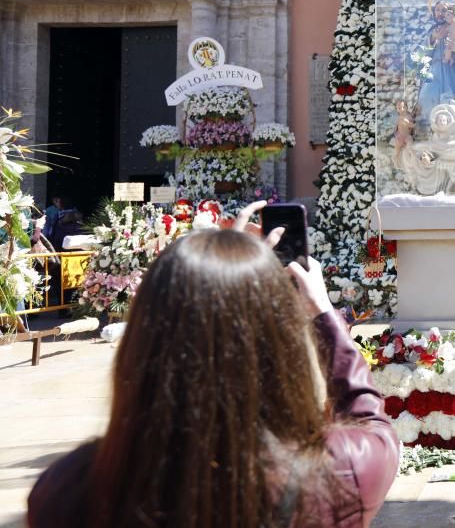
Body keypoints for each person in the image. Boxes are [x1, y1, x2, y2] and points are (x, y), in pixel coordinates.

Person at [28, 202, 400, 527]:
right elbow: (370, 419)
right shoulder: (340, 472)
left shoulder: (69, 491)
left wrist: (213, 269)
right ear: (278, 348)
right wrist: (321, 314)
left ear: (146, 339)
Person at [417, 0, 455, 115]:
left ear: (451, 13)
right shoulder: (432, 32)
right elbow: (423, 54)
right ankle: (426, 127)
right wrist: (433, 38)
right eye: (437, 10)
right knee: (427, 96)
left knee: (450, 100)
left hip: (451, 69)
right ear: (433, 13)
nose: (440, 13)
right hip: (435, 69)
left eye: (444, 10)